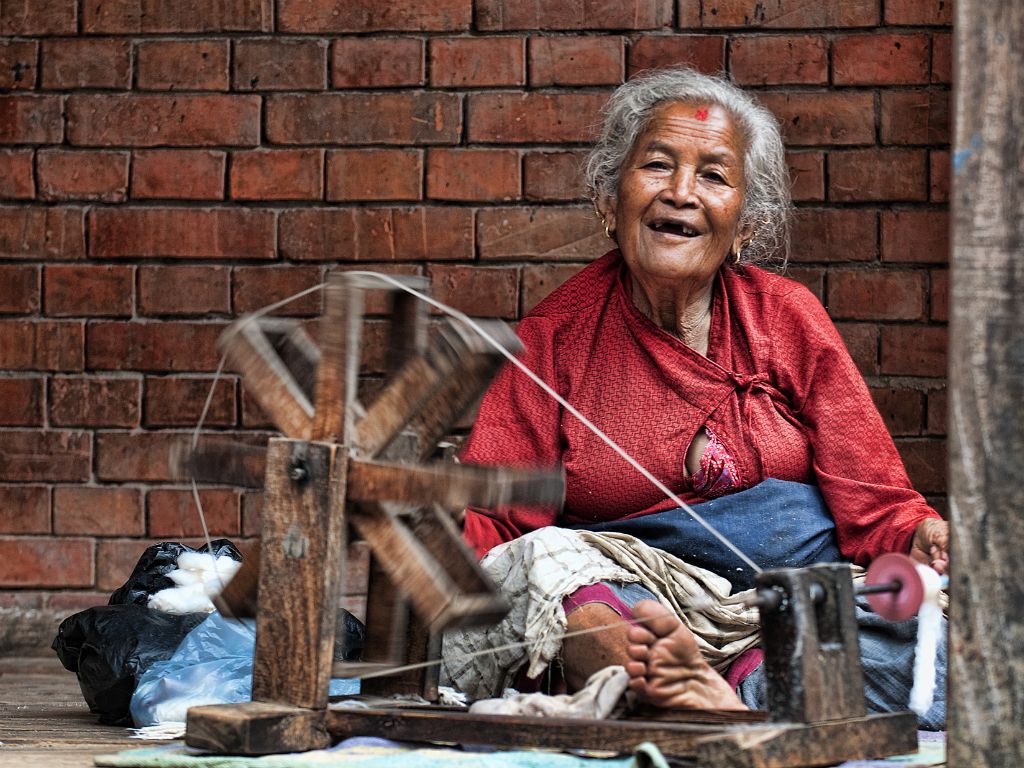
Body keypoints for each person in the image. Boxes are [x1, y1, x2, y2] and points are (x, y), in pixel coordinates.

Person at [447, 67, 949, 722]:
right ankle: (665, 682)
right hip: (634, 613)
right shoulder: (553, 341)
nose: (682, 193)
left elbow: (877, 507)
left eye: (713, 175)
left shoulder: (788, 320)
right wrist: (432, 544)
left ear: (743, 224)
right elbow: (498, 530)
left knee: (932, 628)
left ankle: (730, 695)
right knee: (539, 568)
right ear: (609, 199)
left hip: (780, 607)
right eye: (658, 166)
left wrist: (923, 539)